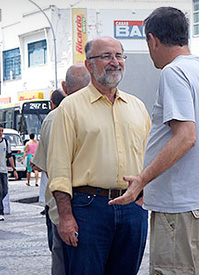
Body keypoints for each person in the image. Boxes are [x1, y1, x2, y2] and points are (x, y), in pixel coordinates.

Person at [108, 7, 199, 275]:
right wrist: (196, 170)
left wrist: (143, 179)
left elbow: (186, 136)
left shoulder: (174, 72)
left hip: (179, 210)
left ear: (152, 40)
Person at [47, 36, 151, 274]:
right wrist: (65, 217)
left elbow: (149, 158)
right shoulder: (70, 108)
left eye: (119, 56)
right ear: (89, 65)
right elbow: (59, 168)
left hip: (132, 209)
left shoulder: (137, 107)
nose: (114, 62)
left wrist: (144, 197)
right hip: (88, 209)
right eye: (106, 56)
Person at [31, 63, 90, 275]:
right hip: (95, 210)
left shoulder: (53, 118)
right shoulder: (98, 113)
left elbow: (44, 167)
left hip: (59, 211)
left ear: (65, 87)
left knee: (63, 264)